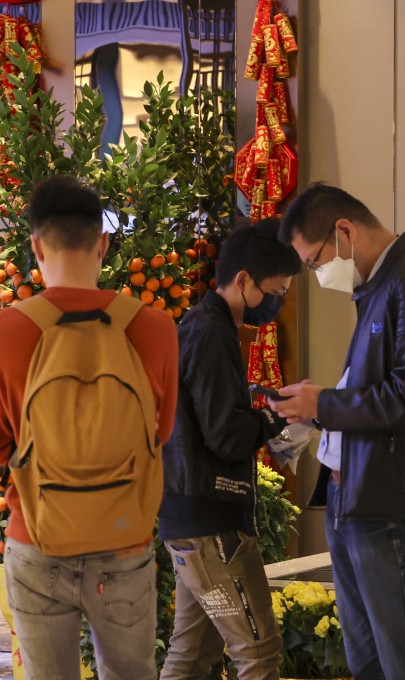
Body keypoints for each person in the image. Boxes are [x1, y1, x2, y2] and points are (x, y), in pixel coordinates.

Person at [0, 176, 178, 680]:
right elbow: (162, 433)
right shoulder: (154, 327)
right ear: (103, 241)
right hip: (124, 540)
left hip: (37, 536)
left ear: (36, 244)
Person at [272, 183, 405, 680]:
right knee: (369, 658)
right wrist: (319, 408)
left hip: (392, 498)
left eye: (315, 260)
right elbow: (381, 389)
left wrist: (327, 403)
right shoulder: (380, 284)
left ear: (344, 231)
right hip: (360, 493)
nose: (317, 274)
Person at [158, 217, 299, 680]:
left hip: (191, 516)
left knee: (193, 654)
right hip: (212, 524)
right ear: (242, 281)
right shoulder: (211, 333)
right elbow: (224, 433)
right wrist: (275, 417)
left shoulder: (203, 327)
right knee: (258, 651)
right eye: (275, 290)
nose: (278, 301)